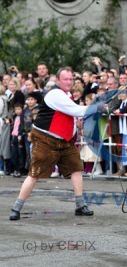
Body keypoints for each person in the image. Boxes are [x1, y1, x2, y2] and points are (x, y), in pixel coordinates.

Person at [9, 67, 101, 220]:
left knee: (76, 169)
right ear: (58, 80)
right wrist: (96, 107)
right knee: (34, 174)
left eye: (71, 79)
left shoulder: (68, 95)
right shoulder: (55, 94)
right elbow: (76, 110)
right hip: (46, 139)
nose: (69, 82)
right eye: (65, 79)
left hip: (65, 141)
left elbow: (69, 115)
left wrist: (75, 126)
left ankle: (80, 205)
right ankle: (16, 207)